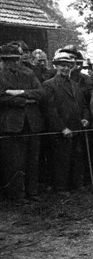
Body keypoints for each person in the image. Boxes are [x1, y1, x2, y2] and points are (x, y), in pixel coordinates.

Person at [0, 44, 49, 201]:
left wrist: (20, 92)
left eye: (15, 59)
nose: (13, 63)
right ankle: (17, 194)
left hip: (32, 123)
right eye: (8, 60)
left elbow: (41, 93)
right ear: (2, 60)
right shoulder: (0, 75)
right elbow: (2, 98)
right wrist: (26, 100)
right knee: (14, 161)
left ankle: (32, 192)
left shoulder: (28, 73)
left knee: (32, 159)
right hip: (12, 125)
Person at [42, 52, 91, 195]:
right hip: (60, 130)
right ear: (56, 66)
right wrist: (62, 128)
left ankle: (77, 184)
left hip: (77, 128)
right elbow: (49, 110)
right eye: (62, 66)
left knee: (77, 156)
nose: (65, 69)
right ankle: (61, 187)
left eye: (68, 66)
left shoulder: (76, 86)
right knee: (61, 159)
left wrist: (85, 118)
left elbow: (84, 106)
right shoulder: (49, 85)